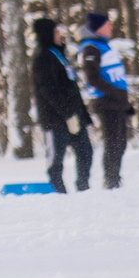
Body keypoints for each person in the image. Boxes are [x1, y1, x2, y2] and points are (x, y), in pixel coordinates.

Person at [29, 16, 92, 193]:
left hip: (74, 115)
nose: (60, 35)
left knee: (85, 152)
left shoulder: (59, 54)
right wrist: (67, 114)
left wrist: (79, 114)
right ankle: (58, 191)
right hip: (56, 119)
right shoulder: (43, 58)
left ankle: (83, 187)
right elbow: (49, 90)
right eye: (56, 31)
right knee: (56, 158)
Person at [77, 11, 133, 190]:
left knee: (120, 142)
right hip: (106, 103)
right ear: (98, 27)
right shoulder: (91, 48)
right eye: (108, 23)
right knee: (113, 142)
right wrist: (115, 93)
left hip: (116, 102)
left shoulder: (103, 46)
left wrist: (125, 102)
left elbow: (113, 76)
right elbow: (92, 77)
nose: (111, 26)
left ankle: (114, 177)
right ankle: (111, 180)